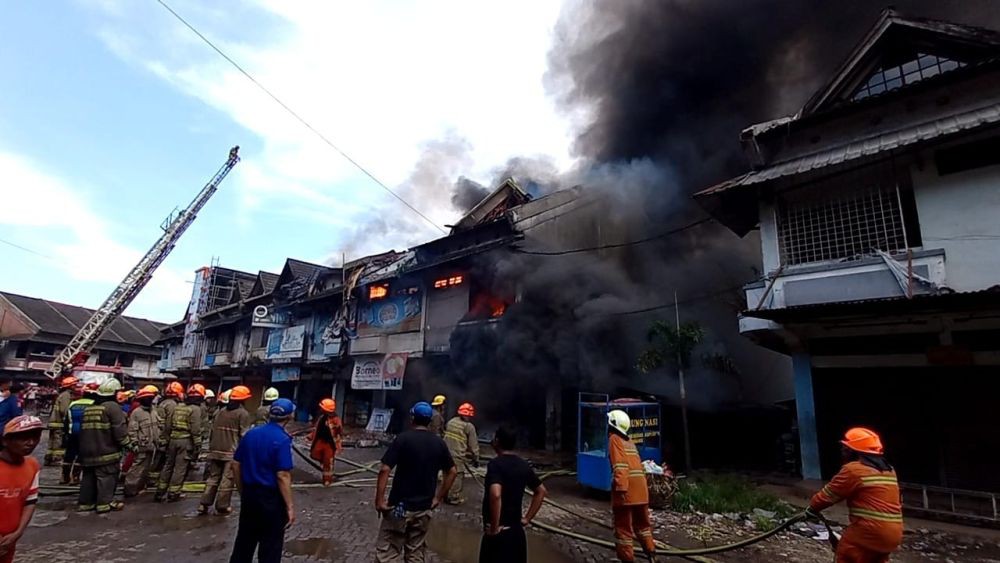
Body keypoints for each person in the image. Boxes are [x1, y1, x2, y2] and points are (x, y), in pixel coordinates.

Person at [375, 401, 457, 563]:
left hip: (399, 507)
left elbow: (385, 469)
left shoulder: (403, 439)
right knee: (415, 552)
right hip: (423, 509)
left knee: (388, 552)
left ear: (412, 418)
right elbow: (452, 471)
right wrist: (438, 498)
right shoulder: (438, 443)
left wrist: (380, 500)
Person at [808, 427, 903, 563]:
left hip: (868, 532)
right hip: (893, 535)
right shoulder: (889, 470)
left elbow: (826, 496)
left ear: (853, 451)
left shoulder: (853, 470)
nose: (842, 451)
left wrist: (812, 508)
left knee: (846, 554)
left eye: (845, 448)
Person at [228, 398, 296, 563]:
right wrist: (290, 507)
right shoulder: (282, 440)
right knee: (270, 546)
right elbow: (282, 475)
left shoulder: (251, 434)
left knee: (244, 542)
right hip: (270, 499)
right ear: (290, 416)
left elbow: (236, 464)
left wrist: (242, 489)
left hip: (250, 496)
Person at [479, 426, 547, 563]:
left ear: (497, 441)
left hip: (499, 534)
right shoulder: (523, 465)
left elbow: (496, 494)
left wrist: (494, 527)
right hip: (516, 533)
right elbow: (541, 491)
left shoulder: (495, 465)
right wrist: (527, 518)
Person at [607, 409, 657, 563]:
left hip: (627, 491)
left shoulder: (614, 439)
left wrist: (620, 490)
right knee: (643, 525)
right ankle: (651, 555)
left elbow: (620, 466)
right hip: (641, 492)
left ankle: (627, 560)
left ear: (613, 426)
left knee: (623, 530)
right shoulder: (629, 442)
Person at [78, 378, 131, 513]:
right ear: (114, 392)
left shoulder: (90, 408)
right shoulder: (113, 407)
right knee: (106, 477)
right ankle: (104, 503)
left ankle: (86, 503)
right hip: (106, 452)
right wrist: (129, 445)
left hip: (87, 453)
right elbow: (119, 431)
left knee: (88, 478)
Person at [200, 385, 253, 515]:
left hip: (215, 450)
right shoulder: (243, 414)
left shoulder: (220, 411)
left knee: (213, 478)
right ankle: (222, 506)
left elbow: (212, 431)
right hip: (231, 453)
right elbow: (244, 435)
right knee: (227, 480)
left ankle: (204, 504)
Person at [0, 415, 43, 563]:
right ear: (5, 441)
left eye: (35, 437)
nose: (31, 443)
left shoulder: (32, 465)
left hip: (9, 541)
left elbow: (30, 501)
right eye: (23, 438)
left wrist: (17, 533)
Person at [155, 383, 205, 502]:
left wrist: (166, 439)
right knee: (180, 468)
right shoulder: (196, 409)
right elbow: (195, 429)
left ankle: (160, 491)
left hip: (173, 440)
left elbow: (168, 425)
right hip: (185, 441)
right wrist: (198, 445)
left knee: (168, 465)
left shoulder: (179, 407)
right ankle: (174, 493)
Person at [123, 385, 161, 497]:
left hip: (152, 445)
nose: (149, 400)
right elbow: (132, 430)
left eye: (150, 398)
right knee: (136, 469)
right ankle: (129, 489)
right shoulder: (137, 412)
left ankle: (139, 487)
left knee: (146, 469)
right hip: (141, 446)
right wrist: (134, 443)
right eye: (147, 398)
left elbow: (158, 426)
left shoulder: (154, 411)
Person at [443, 402, 479, 505]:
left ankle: (444, 495)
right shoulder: (469, 426)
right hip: (457, 456)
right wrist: (475, 458)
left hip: (445, 453)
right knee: (458, 475)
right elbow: (473, 445)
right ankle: (453, 497)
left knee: (446, 474)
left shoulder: (451, 422)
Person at [62, 383, 98, 485]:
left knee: (69, 454)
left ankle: (64, 477)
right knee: (81, 455)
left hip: (72, 432)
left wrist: (65, 433)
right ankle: (76, 477)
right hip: (86, 434)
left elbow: (67, 420)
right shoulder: (94, 404)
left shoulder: (73, 404)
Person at [309, 398, 343, 487]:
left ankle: (327, 480)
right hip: (320, 440)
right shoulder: (321, 417)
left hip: (330, 443)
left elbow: (338, 431)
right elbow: (317, 428)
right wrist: (311, 436)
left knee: (328, 462)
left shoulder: (335, 419)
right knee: (314, 454)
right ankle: (322, 462)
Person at [45, 376, 78, 466]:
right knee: (58, 442)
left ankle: (49, 458)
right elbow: (65, 410)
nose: (76, 387)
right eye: (74, 385)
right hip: (59, 423)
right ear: (70, 386)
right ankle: (56, 459)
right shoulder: (66, 395)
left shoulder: (62, 394)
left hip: (54, 421)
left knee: (52, 441)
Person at [153, 381, 184, 475]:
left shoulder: (163, 403)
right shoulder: (172, 405)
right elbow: (169, 423)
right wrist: (167, 438)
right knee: (159, 460)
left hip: (158, 433)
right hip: (163, 436)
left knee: (155, 458)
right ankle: (153, 478)